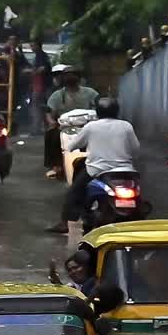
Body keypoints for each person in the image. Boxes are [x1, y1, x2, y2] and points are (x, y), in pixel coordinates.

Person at [47, 97, 139, 235]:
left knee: (73, 193)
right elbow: (136, 148)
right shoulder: (126, 126)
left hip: (97, 170)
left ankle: (64, 223)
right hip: (125, 170)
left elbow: (73, 145)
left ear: (98, 112)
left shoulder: (91, 126)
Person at [43, 65, 99, 180]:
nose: (70, 77)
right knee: (51, 134)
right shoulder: (57, 95)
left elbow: (99, 107)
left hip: (88, 126)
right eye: (67, 75)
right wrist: (52, 122)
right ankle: (56, 165)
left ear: (79, 77)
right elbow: (49, 113)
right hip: (64, 127)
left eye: (73, 74)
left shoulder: (90, 93)